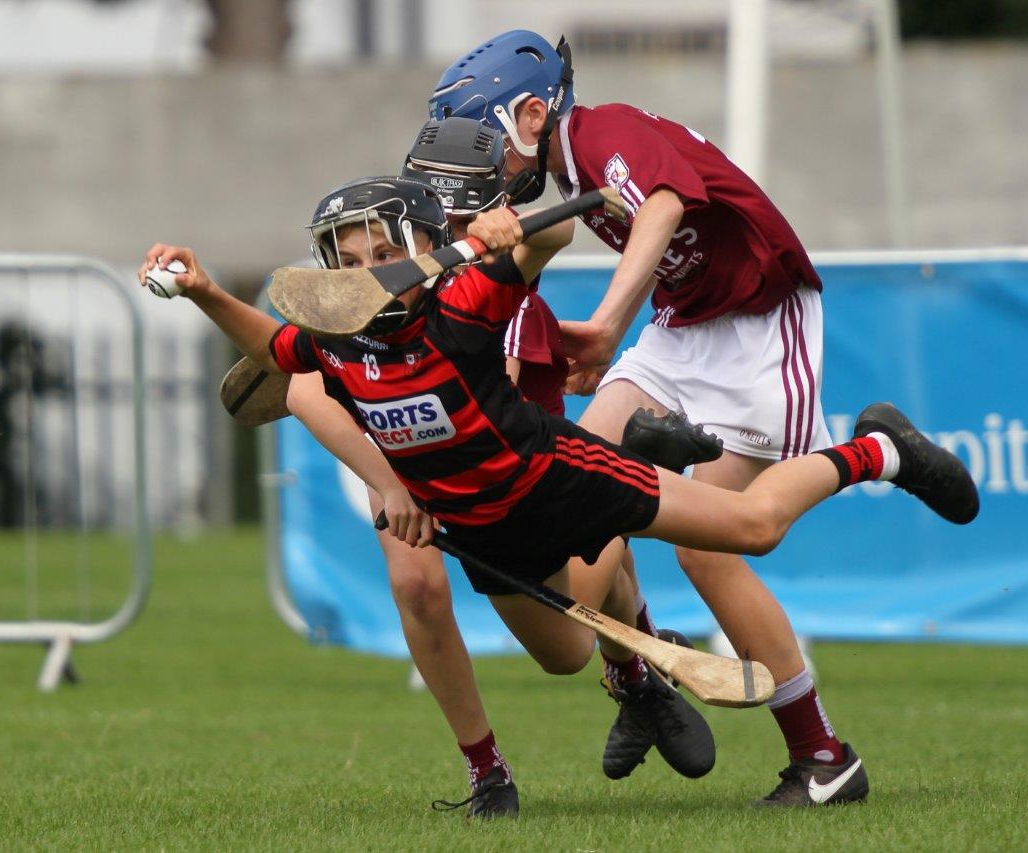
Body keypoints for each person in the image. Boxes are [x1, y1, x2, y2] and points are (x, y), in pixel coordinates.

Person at [139, 177, 979, 811]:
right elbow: (271, 348)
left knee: (751, 527)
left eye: (380, 255)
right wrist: (207, 290)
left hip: (566, 480)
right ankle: (607, 653)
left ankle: (879, 450)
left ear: (421, 247)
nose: (365, 275)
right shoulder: (337, 345)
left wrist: (515, 241)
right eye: (348, 263)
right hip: (491, 535)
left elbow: (551, 240)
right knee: (564, 656)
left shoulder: (463, 303)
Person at [426, 29, 968, 806]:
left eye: (487, 136)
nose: (483, 159)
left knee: (716, 546)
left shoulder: (600, 130)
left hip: (759, 317)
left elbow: (666, 204)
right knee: (585, 462)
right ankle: (639, 674)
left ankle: (825, 751)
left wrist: (610, 323)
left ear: (534, 114)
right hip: (683, 324)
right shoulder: (571, 166)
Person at [284, 120, 706, 819]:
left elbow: (496, 388)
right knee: (415, 584)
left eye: (462, 201)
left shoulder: (485, 283)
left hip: (503, 466)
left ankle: (631, 661)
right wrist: (390, 482)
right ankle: (487, 770)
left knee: (566, 649)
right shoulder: (379, 273)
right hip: (402, 452)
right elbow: (300, 388)